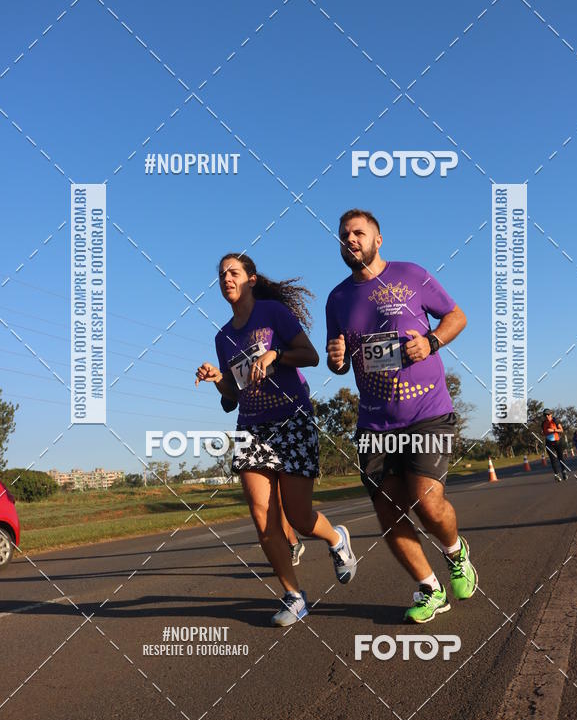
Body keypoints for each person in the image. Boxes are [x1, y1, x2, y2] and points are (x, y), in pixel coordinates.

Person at [326, 208, 477, 624]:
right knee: (390, 513)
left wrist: (430, 342)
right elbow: (338, 360)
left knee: (428, 502)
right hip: (375, 422)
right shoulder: (337, 299)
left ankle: (455, 553)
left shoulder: (411, 274)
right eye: (343, 235)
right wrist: (335, 359)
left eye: (358, 232)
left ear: (378, 239)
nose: (350, 239)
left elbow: (457, 316)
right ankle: (430, 588)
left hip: (427, 410)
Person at [196, 253, 357, 626]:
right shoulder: (223, 337)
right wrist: (215, 378)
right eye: (221, 275)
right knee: (262, 516)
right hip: (252, 426)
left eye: (233, 272)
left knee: (299, 517)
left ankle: (336, 539)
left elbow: (312, 356)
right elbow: (234, 396)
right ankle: (294, 596)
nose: (226, 279)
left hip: (292, 419)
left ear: (251, 279)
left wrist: (274, 354)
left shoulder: (273, 315)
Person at [220, 393, 305, 565]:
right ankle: (290, 549)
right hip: (254, 431)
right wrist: (221, 382)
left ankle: (295, 543)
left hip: (285, 426)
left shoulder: (283, 370)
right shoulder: (233, 365)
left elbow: (302, 381)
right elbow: (228, 403)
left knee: (286, 505)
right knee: (266, 505)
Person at [542, 409, 567, 481]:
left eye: (548, 414)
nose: (547, 416)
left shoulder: (555, 420)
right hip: (549, 443)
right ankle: (556, 474)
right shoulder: (543, 423)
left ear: (551, 414)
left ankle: (564, 471)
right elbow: (544, 433)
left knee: (560, 457)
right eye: (545, 415)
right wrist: (543, 433)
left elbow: (561, 430)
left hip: (558, 441)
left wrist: (553, 430)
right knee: (553, 459)